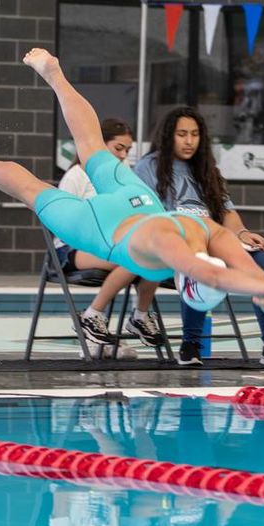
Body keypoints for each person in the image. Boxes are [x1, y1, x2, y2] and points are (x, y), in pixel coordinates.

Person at [0, 48, 264, 364]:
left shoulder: (204, 229)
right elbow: (211, 274)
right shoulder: (170, 248)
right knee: (30, 190)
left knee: (90, 144)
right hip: (100, 228)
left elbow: (235, 266)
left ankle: (55, 75)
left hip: (137, 200)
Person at [133, 107, 264, 368]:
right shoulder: (148, 166)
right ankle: (191, 344)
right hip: (173, 243)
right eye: (182, 134)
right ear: (167, 136)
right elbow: (143, 213)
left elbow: (227, 213)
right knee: (199, 261)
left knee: (262, 258)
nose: (189, 141)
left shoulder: (205, 168)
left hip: (213, 239)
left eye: (194, 134)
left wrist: (243, 233)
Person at [56, 118, 164, 358]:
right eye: (118, 148)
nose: (123, 155)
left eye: (127, 150)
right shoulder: (76, 175)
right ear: (99, 145)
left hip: (113, 245)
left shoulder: (123, 176)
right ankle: (93, 316)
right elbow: (61, 222)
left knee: (155, 255)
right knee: (133, 257)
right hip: (71, 248)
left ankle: (139, 316)